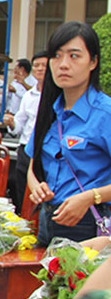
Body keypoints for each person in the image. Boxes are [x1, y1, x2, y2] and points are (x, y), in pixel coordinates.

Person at [26, 22, 111, 247]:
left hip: (90, 225)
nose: (63, 65)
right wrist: (36, 187)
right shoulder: (50, 110)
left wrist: (90, 198)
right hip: (48, 219)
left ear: (93, 62)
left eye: (74, 56)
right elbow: (33, 164)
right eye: (57, 56)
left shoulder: (105, 113)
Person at [5, 51, 47, 211]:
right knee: (22, 192)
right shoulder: (29, 95)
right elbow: (19, 126)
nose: (40, 69)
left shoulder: (57, 96)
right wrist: (11, 122)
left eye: (44, 65)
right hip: (25, 149)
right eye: (37, 65)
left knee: (41, 197)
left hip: (43, 152)